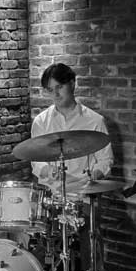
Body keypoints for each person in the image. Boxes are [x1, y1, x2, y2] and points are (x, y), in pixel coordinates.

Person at [31, 62, 114, 196]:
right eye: (50, 90)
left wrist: (95, 174)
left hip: (83, 196)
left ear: (72, 84)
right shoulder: (41, 121)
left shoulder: (95, 121)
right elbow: (36, 161)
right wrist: (49, 171)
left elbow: (105, 160)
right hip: (51, 197)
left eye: (59, 87)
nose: (56, 94)